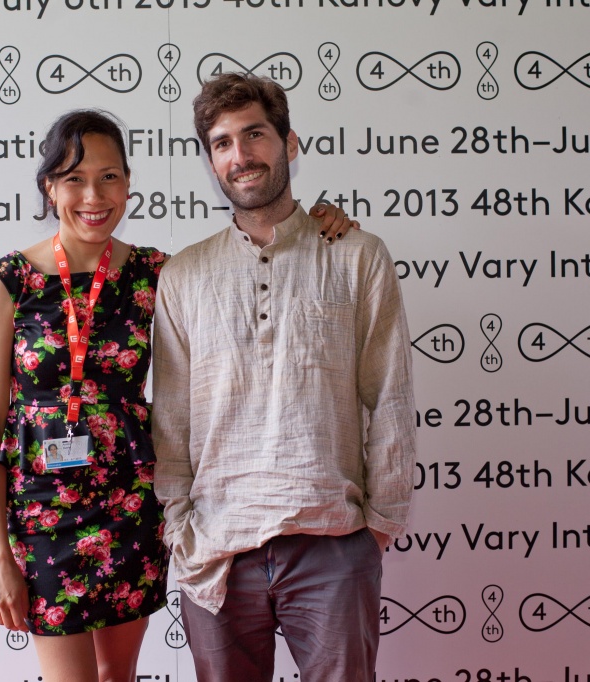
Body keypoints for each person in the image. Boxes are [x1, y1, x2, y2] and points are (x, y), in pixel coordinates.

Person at [0, 108, 359, 682]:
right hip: (41, 514)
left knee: (118, 677)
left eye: (109, 177)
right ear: (49, 186)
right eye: (74, 178)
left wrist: (321, 222)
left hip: (130, 506)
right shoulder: (10, 280)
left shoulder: (158, 273)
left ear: (128, 183)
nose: (93, 195)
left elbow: (249, 261)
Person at [152, 73, 418, 682]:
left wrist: (377, 529)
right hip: (217, 551)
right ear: (211, 161)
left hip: (331, 541)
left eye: (254, 135)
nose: (240, 156)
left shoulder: (355, 254)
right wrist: (179, 527)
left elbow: (391, 397)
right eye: (221, 144)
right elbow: (170, 418)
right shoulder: (185, 275)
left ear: (289, 143)